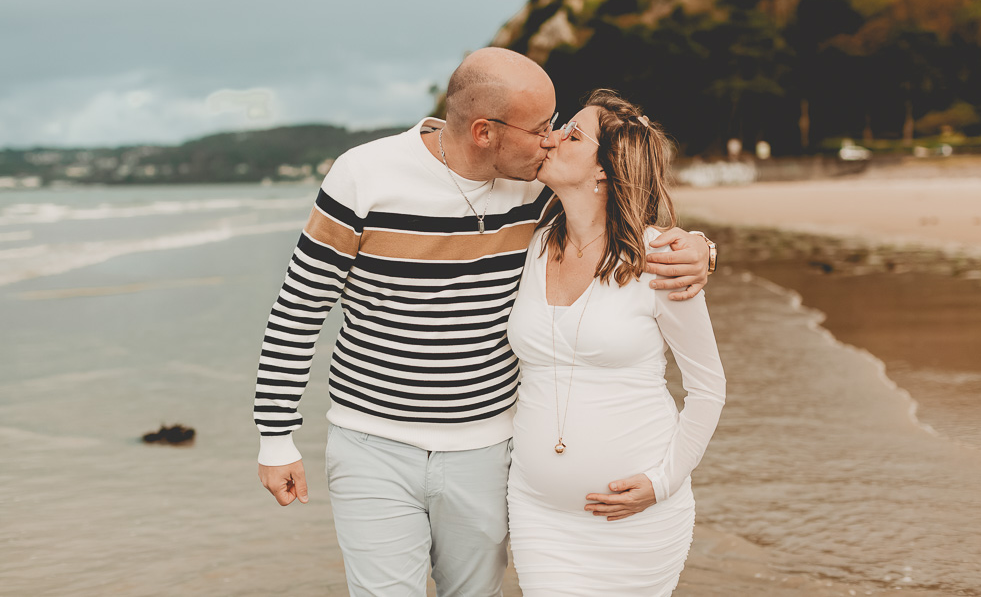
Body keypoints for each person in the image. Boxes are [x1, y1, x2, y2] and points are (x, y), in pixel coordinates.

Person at [254, 48, 715, 596]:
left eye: (559, 128)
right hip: (371, 442)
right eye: (542, 127)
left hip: (487, 451)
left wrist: (703, 251)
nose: (550, 140)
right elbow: (298, 310)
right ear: (484, 132)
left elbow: (621, 211)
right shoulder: (364, 175)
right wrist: (275, 436)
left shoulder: (534, 191)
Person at [506, 90, 726, 595]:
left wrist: (664, 481)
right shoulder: (533, 242)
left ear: (604, 171)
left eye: (573, 134)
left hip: (636, 521)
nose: (554, 137)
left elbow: (708, 389)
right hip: (539, 513)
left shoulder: (661, 258)